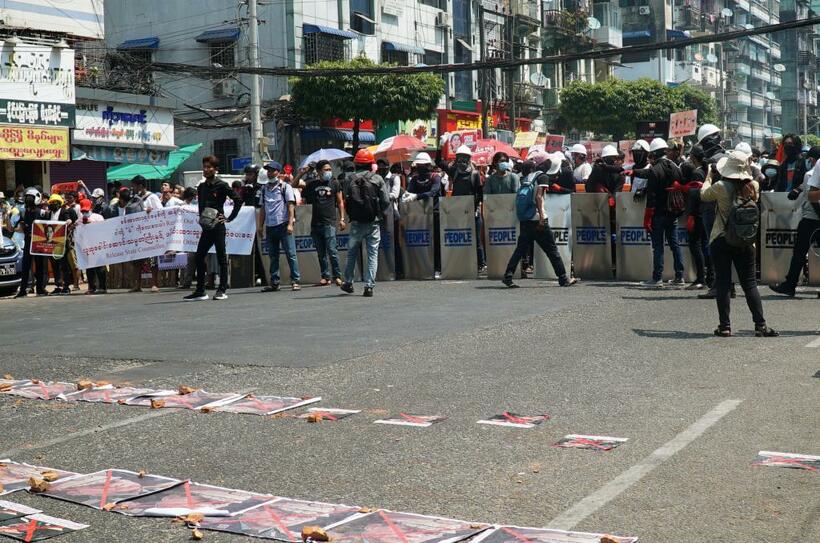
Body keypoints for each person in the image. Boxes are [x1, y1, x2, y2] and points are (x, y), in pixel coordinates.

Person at [700, 150, 778, 337]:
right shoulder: (754, 186)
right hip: (745, 241)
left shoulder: (720, 186)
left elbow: (703, 195)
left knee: (724, 283)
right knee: (749, 284)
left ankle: (725, 326)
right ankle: (760, 325)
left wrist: (709, 176)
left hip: (721, 238)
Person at [502, 160, 576, 288]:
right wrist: (542, 217)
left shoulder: (529, 177)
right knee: (552, 250)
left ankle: (508, 276)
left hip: (526, 219)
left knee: (520, 250)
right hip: (537, 219)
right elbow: (538, 197)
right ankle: (563, 278)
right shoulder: (543, 177)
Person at [184, 155, 243, 301]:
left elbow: (238, 200)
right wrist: (201, 219)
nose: (206, 169)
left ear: (215, 169)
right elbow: (201, 206)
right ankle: (200, 291)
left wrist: (229, 218)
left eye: (209, 167)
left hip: (218, 227)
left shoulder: (222, 185)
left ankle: (222, 289)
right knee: (199, 257)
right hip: (206, 227)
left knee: (221, 258)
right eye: (204, 166)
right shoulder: (202, 187)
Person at [770, 146, 820, 297]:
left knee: (799, 252)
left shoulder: (810, 173)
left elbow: (811, 197)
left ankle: (790, 284)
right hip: (813, 216)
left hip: (812, 218)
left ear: (812, 159)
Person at [635, 138, 685, 287]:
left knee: (658, 247)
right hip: (673, 212)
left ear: (654, 154)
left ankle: (657, 278)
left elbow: (652, 196)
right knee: (675, 245)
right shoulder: (676, 168)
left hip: (658, 213)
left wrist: (647, 218)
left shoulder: (654, 170)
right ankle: (679, 276)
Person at [340, 148, 389, 297]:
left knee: (352, 253)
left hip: (356, 222)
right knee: (372, 254)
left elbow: (345, 200)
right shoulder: (377, 179)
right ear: (371, 164)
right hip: (373, 222)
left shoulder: (349, 179)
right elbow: (386, 201)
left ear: (356, 164)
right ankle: (369, 286)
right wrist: (379, 213)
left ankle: (348, 282)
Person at [296, 159, 346, 286]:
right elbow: (293, 185)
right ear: (319, 171)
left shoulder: (335, 183)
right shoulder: (312, 184)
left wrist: (342, 219)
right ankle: (325, 276)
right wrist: (302, 173)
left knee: (332, 251)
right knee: (321, 253)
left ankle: (337, 276)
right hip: (316, 223)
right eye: (326, 170)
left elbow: (340, 202)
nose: (329, 172)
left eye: (330, 169)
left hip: (329, 222)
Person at [694, 123, 729, 299]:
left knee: (715, 248)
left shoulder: (713, 161)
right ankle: (727, 285)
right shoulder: (725, 157)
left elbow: (710, 189)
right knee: (723, 248)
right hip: (722, 207)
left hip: (712, 207)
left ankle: (718, 285)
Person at [258, 161, 300, 293]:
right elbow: (263, 208)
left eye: (272, 170)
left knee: (291, 254)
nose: (269, 173)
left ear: (278, 171)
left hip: (283, 224)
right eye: (268, 171)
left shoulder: (285, 186)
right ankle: (275, 282)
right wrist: (260, 226)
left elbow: (290, 205)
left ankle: (295, 280)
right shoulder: (264, 188)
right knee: (273, 256)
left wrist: (290, 223)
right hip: (270, 226)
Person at [448, 145, 485, 272]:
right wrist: (440, 145)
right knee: (459, 237)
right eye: (459, 157)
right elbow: (439, 163)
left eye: (464, 157)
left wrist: (475, 208)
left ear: (469, 158)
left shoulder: (475, 174)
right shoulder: (455, 172)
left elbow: (479, 194)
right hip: (457, 210)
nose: (461, 160)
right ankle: (462, 261)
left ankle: (481, 264)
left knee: (475, 238)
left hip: (472, 210)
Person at [406, 152, 443, 278]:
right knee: (423, 241)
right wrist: (406, 195)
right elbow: (409, 192)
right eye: (419, 165)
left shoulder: (435, 177)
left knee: (436, 242)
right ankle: (422, 266)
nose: (421, 167)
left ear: (428, 165)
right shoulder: (415, 179)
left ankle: (438, 267)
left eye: (423, 165)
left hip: (435, 213)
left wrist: (417, 196)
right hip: (419, 215)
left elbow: (433, 192)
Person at [681, 144, 711, 290]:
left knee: (696, 245)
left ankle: (701, 278)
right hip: (704, 212)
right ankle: (708, 277)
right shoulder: (706, 171)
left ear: (693, 157)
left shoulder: (697, 173)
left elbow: (695, 196)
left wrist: (691, 214)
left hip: (697, 213)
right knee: (705, 246)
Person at [130, 176, 162, 292]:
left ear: (141, 186)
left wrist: (150, 211)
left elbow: (161, 211)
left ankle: (154, 284)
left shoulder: (152, 197)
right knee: (137, 260)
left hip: (150, 232)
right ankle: (137, 285)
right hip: (137, 232)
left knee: (152, 259)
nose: (132, 188)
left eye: (134, 185)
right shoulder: (134, 198)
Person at [14, 188, 47, 298]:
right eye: (27, 197)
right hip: (28, 242)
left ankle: (40, 289)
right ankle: (23, 290)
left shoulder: (42, 212)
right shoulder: (23, 212)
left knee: (40, 266)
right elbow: (20, 226)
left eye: (30, 198)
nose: (28, 199)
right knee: (25, 266)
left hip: (39, 242)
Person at [43, 193, 76, 295]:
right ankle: (58, 285)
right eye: (51, 203)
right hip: (52, 244)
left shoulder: (64, 212)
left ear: (59, 203)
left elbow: (70, 221)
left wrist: (69, 221)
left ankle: (66, 286)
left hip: (62, 243)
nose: (52, 204)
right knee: (55, 265)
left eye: (54, 203)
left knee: (63, 265)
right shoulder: (48, 214)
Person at [75, 199, 107, 294]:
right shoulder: (79, 220)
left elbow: (103, 228)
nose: (85, 213)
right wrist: (75, 226)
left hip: (98, 246)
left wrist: (90, 223)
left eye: (86, 211)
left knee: (100, 267)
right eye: (83, 211)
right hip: (87, 247)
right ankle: (91, 287)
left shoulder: (98, 217)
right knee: (89, 268)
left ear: (91, 208)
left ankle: (102, 287)